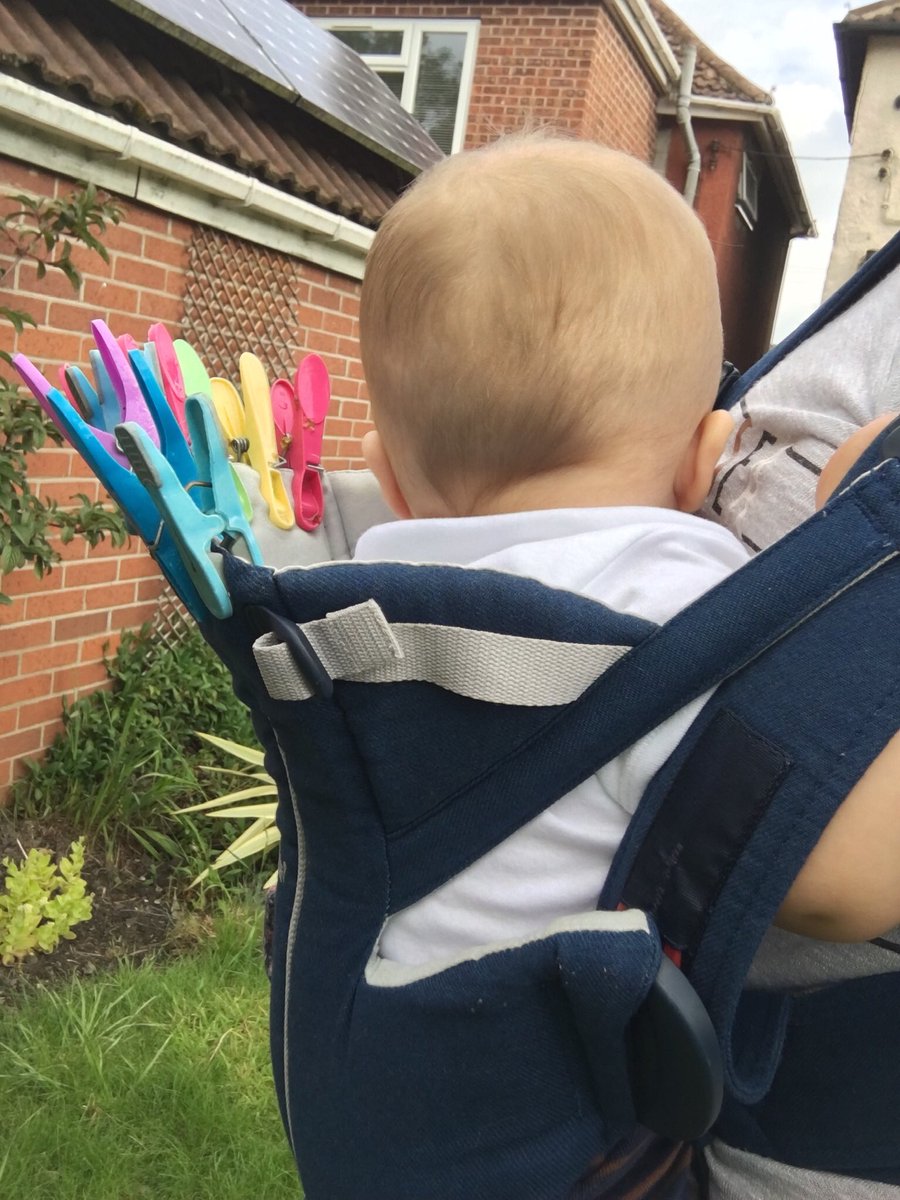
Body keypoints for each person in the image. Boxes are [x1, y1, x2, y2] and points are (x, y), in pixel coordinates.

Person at [352, 131, 900, 972]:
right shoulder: (671, 606)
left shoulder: (353, 615)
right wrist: (867, 552)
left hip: (376, 1046)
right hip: (547, 1083)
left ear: (387, 475)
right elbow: (838, 887)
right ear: (700, 463)